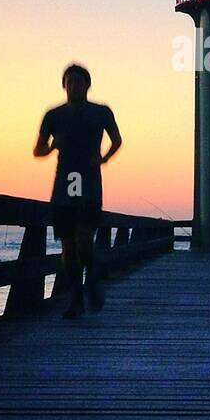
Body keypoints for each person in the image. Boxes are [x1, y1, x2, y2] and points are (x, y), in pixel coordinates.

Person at [33, 64, 122, 319]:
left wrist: (103, 158)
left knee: (84, 239)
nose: (74, 86)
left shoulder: (101, 112)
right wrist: (50, 148)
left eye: (78, 82)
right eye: (69, 82)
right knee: (68, 247)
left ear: (87, 85)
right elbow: (37, 150)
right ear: (64, 85)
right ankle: (76, 299)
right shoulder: (53, 115)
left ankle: (92, 277)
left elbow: (117, 140)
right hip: (63, 186)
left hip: (90, 183)